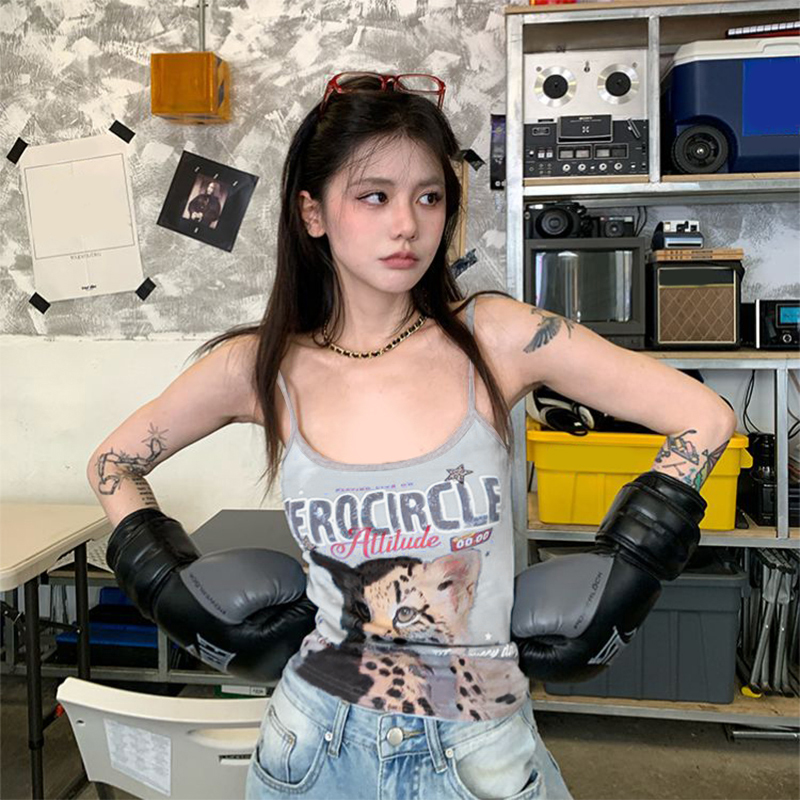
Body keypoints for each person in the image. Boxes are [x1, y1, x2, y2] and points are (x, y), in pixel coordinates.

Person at [87, 71, 737, 800]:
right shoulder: (261, 366)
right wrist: (163, 583)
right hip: (316, 739)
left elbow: (706, 417)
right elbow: (112, 462)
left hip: (477, 742)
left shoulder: (498, 337)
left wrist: (635, 560)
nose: (407, 225)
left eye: (429, 197)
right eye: (375, 196)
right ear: (312, 213)